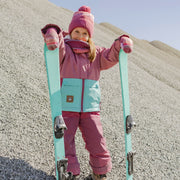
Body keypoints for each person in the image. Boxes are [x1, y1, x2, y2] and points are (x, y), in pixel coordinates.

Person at [41, 5, 133, 180]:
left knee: (97, 140)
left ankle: (100, 173)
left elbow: (110, 57)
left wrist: (120, 43)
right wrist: (52, 32)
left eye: (85, 33)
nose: (80, 36)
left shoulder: (95, 53)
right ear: (71, 31)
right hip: (67, 106)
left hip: (91, 108)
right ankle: (70, 172)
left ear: (90, 35)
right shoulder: (66, 49)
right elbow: (57, 47)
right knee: (65, 141)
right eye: (77, 31)